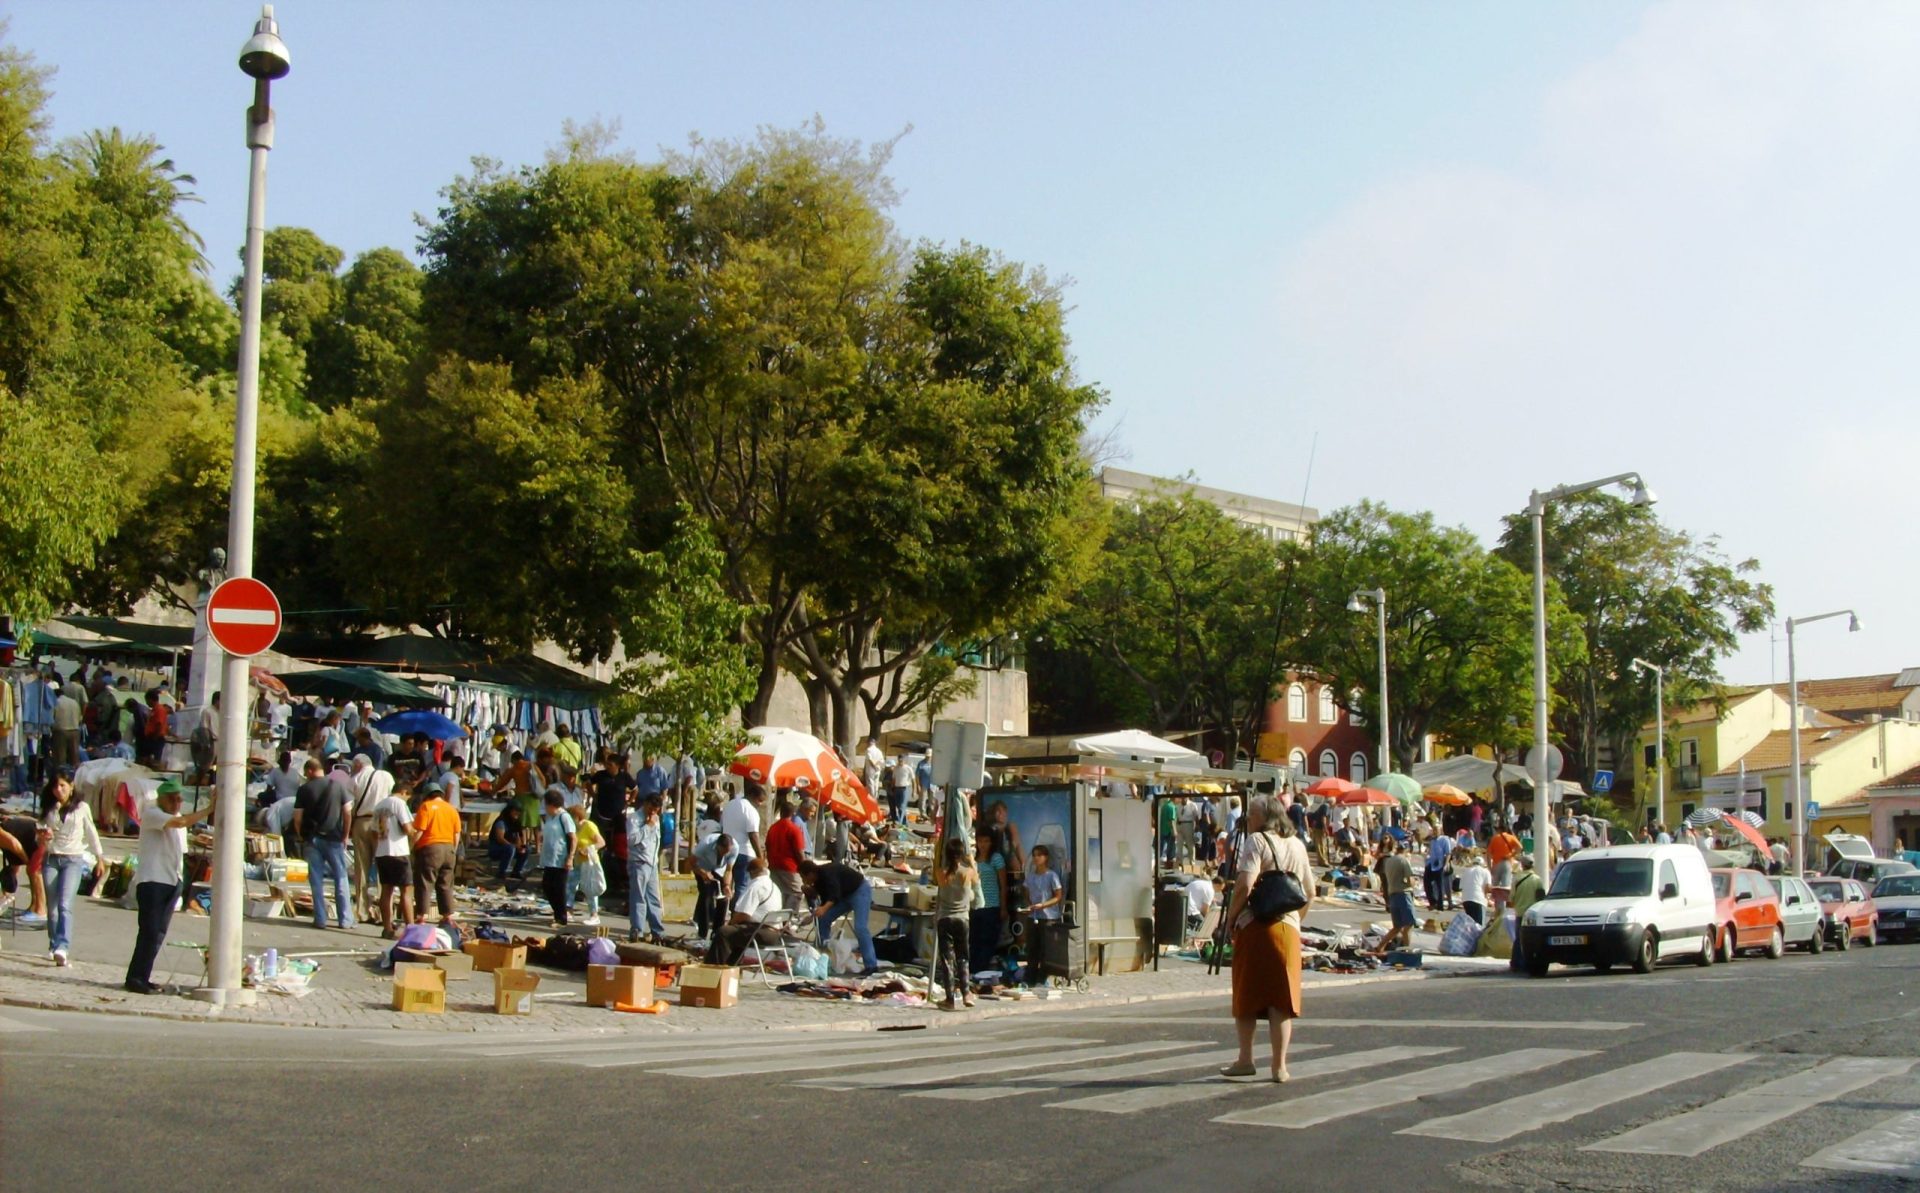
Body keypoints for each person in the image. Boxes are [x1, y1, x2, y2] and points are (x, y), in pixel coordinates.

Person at [1221, 794, 1315, 1083]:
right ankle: (1279, 1066)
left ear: (1266, 817)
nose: (1248, 819)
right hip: (1287, 927)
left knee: (1247, 996)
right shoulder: (1298, 845)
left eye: (1252, 815)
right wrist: (1297, 919)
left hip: (1255, 926)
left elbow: (1245, 885)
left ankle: (1245, 1059)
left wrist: (1230, 919)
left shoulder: (1257, 841)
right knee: (1281, 1000)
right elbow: (1310, 892)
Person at [122, 780, 213, 993]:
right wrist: (209, 809)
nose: (176, 803)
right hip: (153, 880)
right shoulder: (153, 814)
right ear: (161, 799)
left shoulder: (176, 820)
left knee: (158, 933)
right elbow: (180, 823)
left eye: (179, 799)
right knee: (149, 931)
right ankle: (135, 977)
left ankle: (143, 975)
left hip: (172, 880)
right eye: (172, 798)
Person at [39, 770, 105, 966]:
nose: (59, 790)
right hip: (51, 857)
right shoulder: (50, 807)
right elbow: (39, 832)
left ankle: (63, 947)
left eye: (63, 786)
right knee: (51, 909)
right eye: (55, 787)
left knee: (65, 905)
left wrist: (99, 857)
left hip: (73, 859)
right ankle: (53, 944)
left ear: (71, 787)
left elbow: (91, 832)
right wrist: (42, 837)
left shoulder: (81, 808)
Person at [291, 758, 353, 930]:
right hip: (334, 839)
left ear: (310, 770)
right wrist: (345, 835)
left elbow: (297, 818)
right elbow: (348, 813)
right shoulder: (338, 786)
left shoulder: (304, 789)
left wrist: (301, 836)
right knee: (341, 879)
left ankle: (320, 919)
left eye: (305, 772)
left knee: (316, 881)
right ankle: (345, 920)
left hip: (311, 839)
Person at [799, 857, 878, 974]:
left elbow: (834, 895)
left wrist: (823, 909)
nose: (804, 880)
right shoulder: (817, 883)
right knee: (823, 919)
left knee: (860, 927)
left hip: (859, 890)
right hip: (844, 896)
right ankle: (825, 956)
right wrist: (810, 896)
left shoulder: (827, 873)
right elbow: (824, 901)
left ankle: (871, 965)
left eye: (804, 877)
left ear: (810, 874)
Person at [931, 837, 980, 1010]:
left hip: (945, 919)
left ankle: (950, 999)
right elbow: (977, 882)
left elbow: (938, 886)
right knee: (963, 957)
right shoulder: (968, 872)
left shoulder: (941, 872)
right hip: (962, 919)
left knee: (947, 959)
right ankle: (966, 993)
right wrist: (971, 860)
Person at [708, 856, 784, 966]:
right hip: (775, 933)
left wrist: (731, 923)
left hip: (762, 932)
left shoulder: (756, 886)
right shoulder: (774, 886)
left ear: (752, 872)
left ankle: (713, 967)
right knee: (736, 933)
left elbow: (744, 914)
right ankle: (732, 967)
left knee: (723, 932)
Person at [346, 755, 395, 925]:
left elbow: (349, 807)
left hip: (361, 821)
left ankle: (362, 911)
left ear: (358, 764)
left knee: (361, 868)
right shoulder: (386, 776)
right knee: (384, 867)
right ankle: (384, 912)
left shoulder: (355, 779)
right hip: (381, 822)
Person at [370, 772, 415, 939]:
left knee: (386, 890)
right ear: (404, 792)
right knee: (406, 890)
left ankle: (387, 927)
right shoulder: (399, 804)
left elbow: (374, 832)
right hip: (399, 851)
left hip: (382, 852)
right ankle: (411, 928)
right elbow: (407, 828)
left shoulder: (379, 805)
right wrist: (415, 834)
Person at [411, 778, 461, 924]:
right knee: (445, 883)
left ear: (427, 795)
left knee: (425, 882)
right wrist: (453, 850)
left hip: (430, 849)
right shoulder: (451, 808)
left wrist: (410, 847)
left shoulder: (426, 807)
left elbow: (420, 831)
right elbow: (457, 834)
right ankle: (447, 916)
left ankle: (422, 915)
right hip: (449, 849)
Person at [625, 794, 666, 943]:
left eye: (656, 810)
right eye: (651, 809)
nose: (653, 813)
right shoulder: (634, 819)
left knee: (654, 898)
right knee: (639, 897)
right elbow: (631, 840)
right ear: (646, 804)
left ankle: (657, 931)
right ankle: (637, 930)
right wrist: (647, 827)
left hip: (652, 863)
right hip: (639, 862)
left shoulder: (656, 818)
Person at [691, 831, 738, 941]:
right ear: (717, 846)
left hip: (720, 870)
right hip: (702, 866)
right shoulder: (705, 844)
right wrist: (703, 873)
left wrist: (726, 885)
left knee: (724, 898)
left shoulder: (735, 847)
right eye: (723, 852)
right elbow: (691, 863)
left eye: (727, 852)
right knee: (706, 897)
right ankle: (702, 932)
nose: (725, 855)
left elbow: (729, 869)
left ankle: (717, 932)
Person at [537, 792, 575, 927]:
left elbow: (572, 838)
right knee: (547, 886)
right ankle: (557, 913)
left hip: (560, 858)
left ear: (552, 804)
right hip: (549, 858)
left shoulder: (564, 817)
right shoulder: (550, 818)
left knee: (559, 888)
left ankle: (561, 917)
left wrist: (570, 857)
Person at [765, 793, 808, 911]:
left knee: (780, 893)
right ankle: (788, 920)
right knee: (797, 892)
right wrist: (804, 868)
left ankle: (779, 920)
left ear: (781, 812)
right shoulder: (794, 829)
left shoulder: (772, 828)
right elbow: (799, 852)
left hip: (773, 865)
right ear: (793, 813)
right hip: (790, 867)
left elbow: (767, 846)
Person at [971, 834, 1006, 976]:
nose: (983, 844)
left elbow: (1003, 885)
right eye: (980, 841)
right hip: (975, 906)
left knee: (987, 941)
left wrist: (1003, 907)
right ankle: (972, 971)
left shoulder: (996, 858)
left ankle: (980, 972)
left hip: (991, 905)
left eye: (986, 840)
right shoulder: (973, 858)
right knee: (974, 940)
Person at [722, 782, 766, 893]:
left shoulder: (729, 805)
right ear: (752, 796)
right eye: (759, 800)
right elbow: (753, 835)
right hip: (744, 853)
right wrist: (760, 858)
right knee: (742, 886)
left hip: (727, 850)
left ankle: (726, 909)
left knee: (727, 885)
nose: (760, 804)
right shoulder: (751, 810)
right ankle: (738, 910)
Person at [1507, 854, 1546, 971]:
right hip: (1532, 914)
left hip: (1519, 913)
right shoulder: (1537, 880)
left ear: (1522, 865)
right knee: (1530, 939)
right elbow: (1541, 898)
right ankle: (1527, 962)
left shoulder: (1517, 879)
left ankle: (1515, 963)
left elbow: (1511, 898)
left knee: (1519, 939)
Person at [1380, 837, 1418, 952]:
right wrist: (1415, 882)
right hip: (1403, 894)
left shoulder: (1389, 861)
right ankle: (1407, 950)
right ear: (1406, 849)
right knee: (1409, 924)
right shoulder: (1403, 860)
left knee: (1397, 927)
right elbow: (1410, 881)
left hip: (1392, 894)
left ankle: (1380, 946)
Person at [569, 807, 605, 926]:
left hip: (589, 862)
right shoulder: (575, 829)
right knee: (570, 885)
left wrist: (589, 848)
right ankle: (568, 911)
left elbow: (601, 842)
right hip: (578, 861)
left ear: (576, 817)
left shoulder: (589, 826)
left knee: (590, 888)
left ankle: (594, 915)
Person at [487, 801, 526, 888]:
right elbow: (500, 838)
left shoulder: (515, 822)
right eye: (515, 811)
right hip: (496, 849)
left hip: (509, 848)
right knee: (510, 848)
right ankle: (502, 872)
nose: (517, 813)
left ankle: (516, 872)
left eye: (519, 811)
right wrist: (513, 847)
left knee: (527, 849)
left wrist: (520, 847)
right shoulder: (501, 821)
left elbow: (517, 837)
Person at [50, 684, 83, 770]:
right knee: (74, 756)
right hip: (75, 730)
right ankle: (75, 775)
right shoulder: (74, 702)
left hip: (61, 731)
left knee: (60, 757)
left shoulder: (56, 702)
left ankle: (61, 776)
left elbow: (52, 718)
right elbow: (79, 717)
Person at [1458, 849, 1493, 926]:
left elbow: (1461, 887)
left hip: (1466, 899)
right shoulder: (1485, 871)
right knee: (1479, 926)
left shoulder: (1466, 870)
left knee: (1470, 924)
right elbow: (1488, 888)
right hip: (1478, 899)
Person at [1423, 828, 1455, 911]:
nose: (1435, 832)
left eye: (1436, 830)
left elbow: (1448, 853)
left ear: (1440, 831)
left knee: (1440, 885)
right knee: (1426, 882)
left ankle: (1440, 906)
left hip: (1440, 865)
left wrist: (1446, 864)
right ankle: (1433, 902)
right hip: (1431, 864)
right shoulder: (1432, 840)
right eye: (1434, 830)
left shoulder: (1444, 840)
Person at [887, 755, 913, 824]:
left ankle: (900, 823)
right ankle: (905, 823)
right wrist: (892, 788)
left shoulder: (908, 768)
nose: (900, 762)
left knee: (902, 806)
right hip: (897, 789)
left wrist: (914, 790)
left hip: (905, 789)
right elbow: (893, 779)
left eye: (901, 760)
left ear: (904, 760)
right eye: (899, 760)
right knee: (899, 806)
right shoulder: (896, 768)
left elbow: (913, 779)